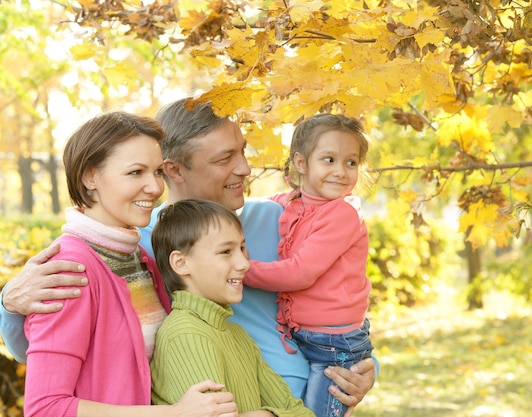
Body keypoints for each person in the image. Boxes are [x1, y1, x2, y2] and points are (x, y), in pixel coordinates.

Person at [0, 98, 376, 415]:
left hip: (300, 398)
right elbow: (42, 355)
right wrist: (9, 303)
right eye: (224, 158)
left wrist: (364, 366)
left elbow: (341, 299)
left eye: (243, 151)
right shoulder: (143, 247)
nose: (245, 168)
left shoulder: (283, 219)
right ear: (174, 169)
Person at [22, 112, 235, 417]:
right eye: (136, 172)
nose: (154, 187)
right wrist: (175, 413)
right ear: (89, 177)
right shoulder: (70, 272)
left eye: (157, 171)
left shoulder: (139, 260)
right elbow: (46, 407)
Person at [245, 114, 373, 417]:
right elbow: (277, 202)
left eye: (351, 163)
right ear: (301, 163)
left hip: (333, 342)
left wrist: (242, 269)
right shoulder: (300, 203)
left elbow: (300, 272)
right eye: (329, 160)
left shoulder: (343, 214)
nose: (341, 172)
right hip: (311, 336)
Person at [150, 199, 314, 417]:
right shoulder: (186, 334)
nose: (244, 263)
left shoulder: (237, 335)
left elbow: (300, 413)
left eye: (242, 248)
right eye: (226, 251)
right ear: (181, 263)